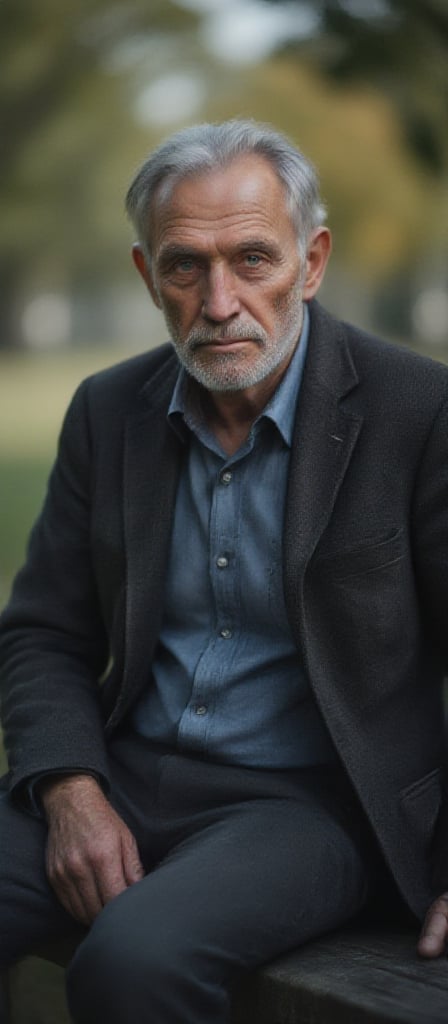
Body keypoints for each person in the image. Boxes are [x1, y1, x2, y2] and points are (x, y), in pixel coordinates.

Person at [0, 118, 448, 1024]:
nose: (219, 302)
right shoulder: (107, 408)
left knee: (132, 964)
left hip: (309, 808)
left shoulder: (421, 411)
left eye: (253, 260)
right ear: (145, 276)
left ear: (311, 262)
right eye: (184, 267)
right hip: (117, 775)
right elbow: (44, 631)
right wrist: (70, 787)